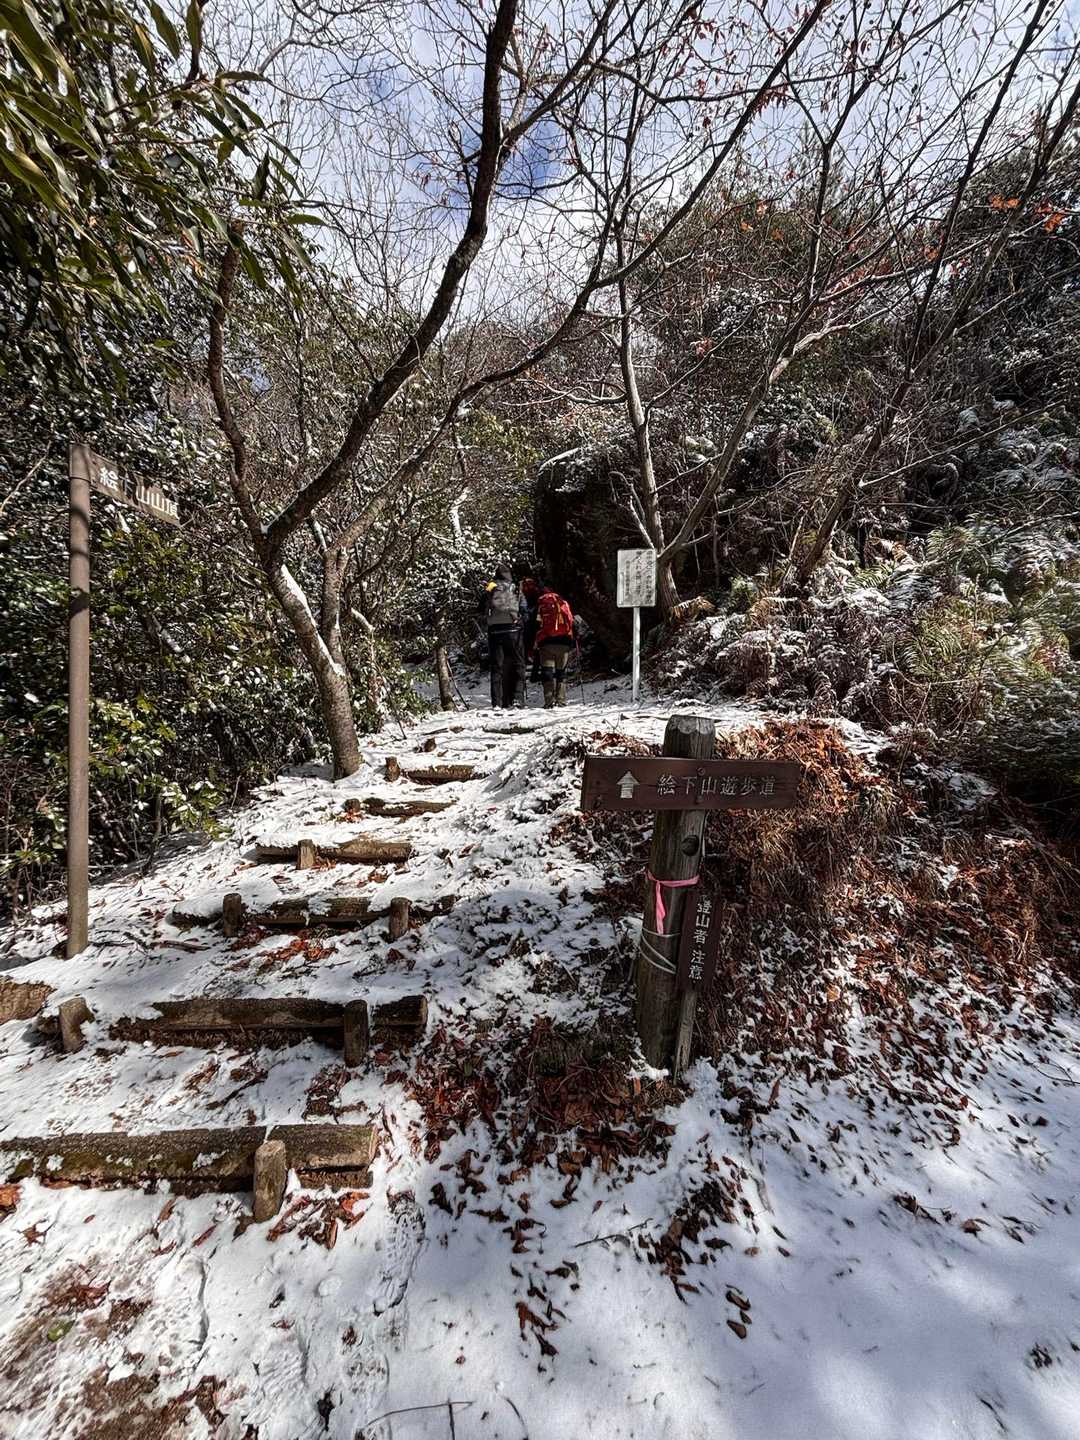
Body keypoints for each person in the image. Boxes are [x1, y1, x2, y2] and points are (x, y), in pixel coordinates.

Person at [479, 563, 525, 708]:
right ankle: (517, 699)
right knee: (518, 664)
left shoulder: (491, 586)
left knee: (496, 667)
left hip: (494, 630)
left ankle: (497, 703)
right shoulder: (515, 587)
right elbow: (523, 607)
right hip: (513, 629)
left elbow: (481, 607)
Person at [532, 583, 576, 708]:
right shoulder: (563, 603)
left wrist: (535, 642)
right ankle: (561, 700)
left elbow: (535, 625)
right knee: (561, 672)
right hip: (564, 642)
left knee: (547, 672)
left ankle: (549, 701)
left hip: (546, 642)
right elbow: (571, 621)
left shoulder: (541, 605)